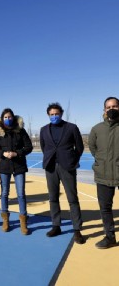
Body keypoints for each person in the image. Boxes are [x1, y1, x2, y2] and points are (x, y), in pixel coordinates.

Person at [40, 102, 85, 244]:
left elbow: (79, 147)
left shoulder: (71, 128)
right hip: (51, 167)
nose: (54, 116)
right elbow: (44, 147)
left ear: (61, 114)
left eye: (56, 114)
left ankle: (77, 230)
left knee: (72, 199)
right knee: (53, 198)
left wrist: (72, 160)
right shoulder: (43, 130)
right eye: (51, 114)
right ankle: (56, 226)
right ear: (48, 115)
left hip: (67, 167)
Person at [0, 108, 33, 234]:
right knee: (4, 193)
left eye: (9, 117)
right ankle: (5, 220)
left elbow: (29, 147)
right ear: (2, 119)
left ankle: (23, 221)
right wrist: (3, 153)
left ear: (13, 118)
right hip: (4, 166)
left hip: (19, 166)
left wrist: (17, 153)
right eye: (5, 117)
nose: (7, 119)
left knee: (21, 194)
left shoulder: (21, 131)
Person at [88, 96, 119, 249]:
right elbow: (93, 149)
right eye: (108, 107)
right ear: (104, 110)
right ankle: (110, 237)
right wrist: (102, 162)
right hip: (103, 175)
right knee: (105, 208)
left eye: (114, 106)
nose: (111, 109)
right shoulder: (96, 129)